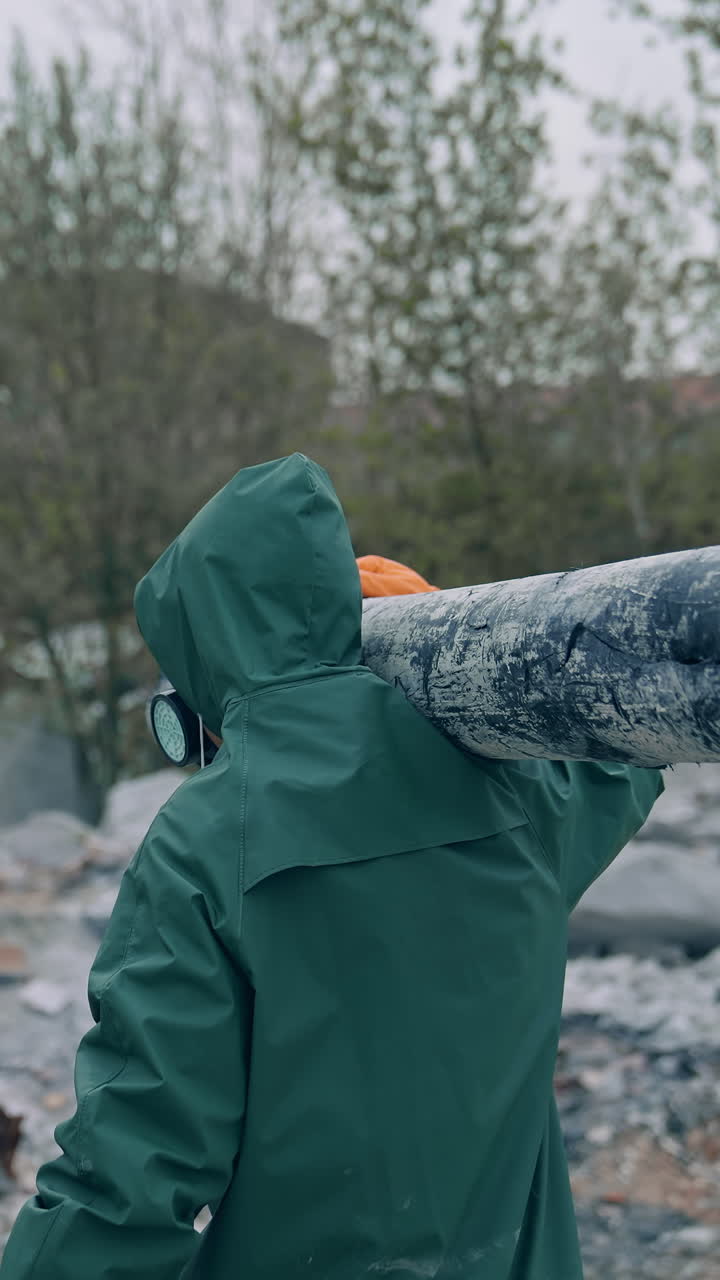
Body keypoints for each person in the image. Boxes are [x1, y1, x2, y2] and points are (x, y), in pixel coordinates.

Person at [0, 454, 663, 1280]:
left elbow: (132, 1173)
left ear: (207, 650)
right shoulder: (518, 793)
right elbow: (627, 750)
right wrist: (454, 652)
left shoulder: (205, 840)